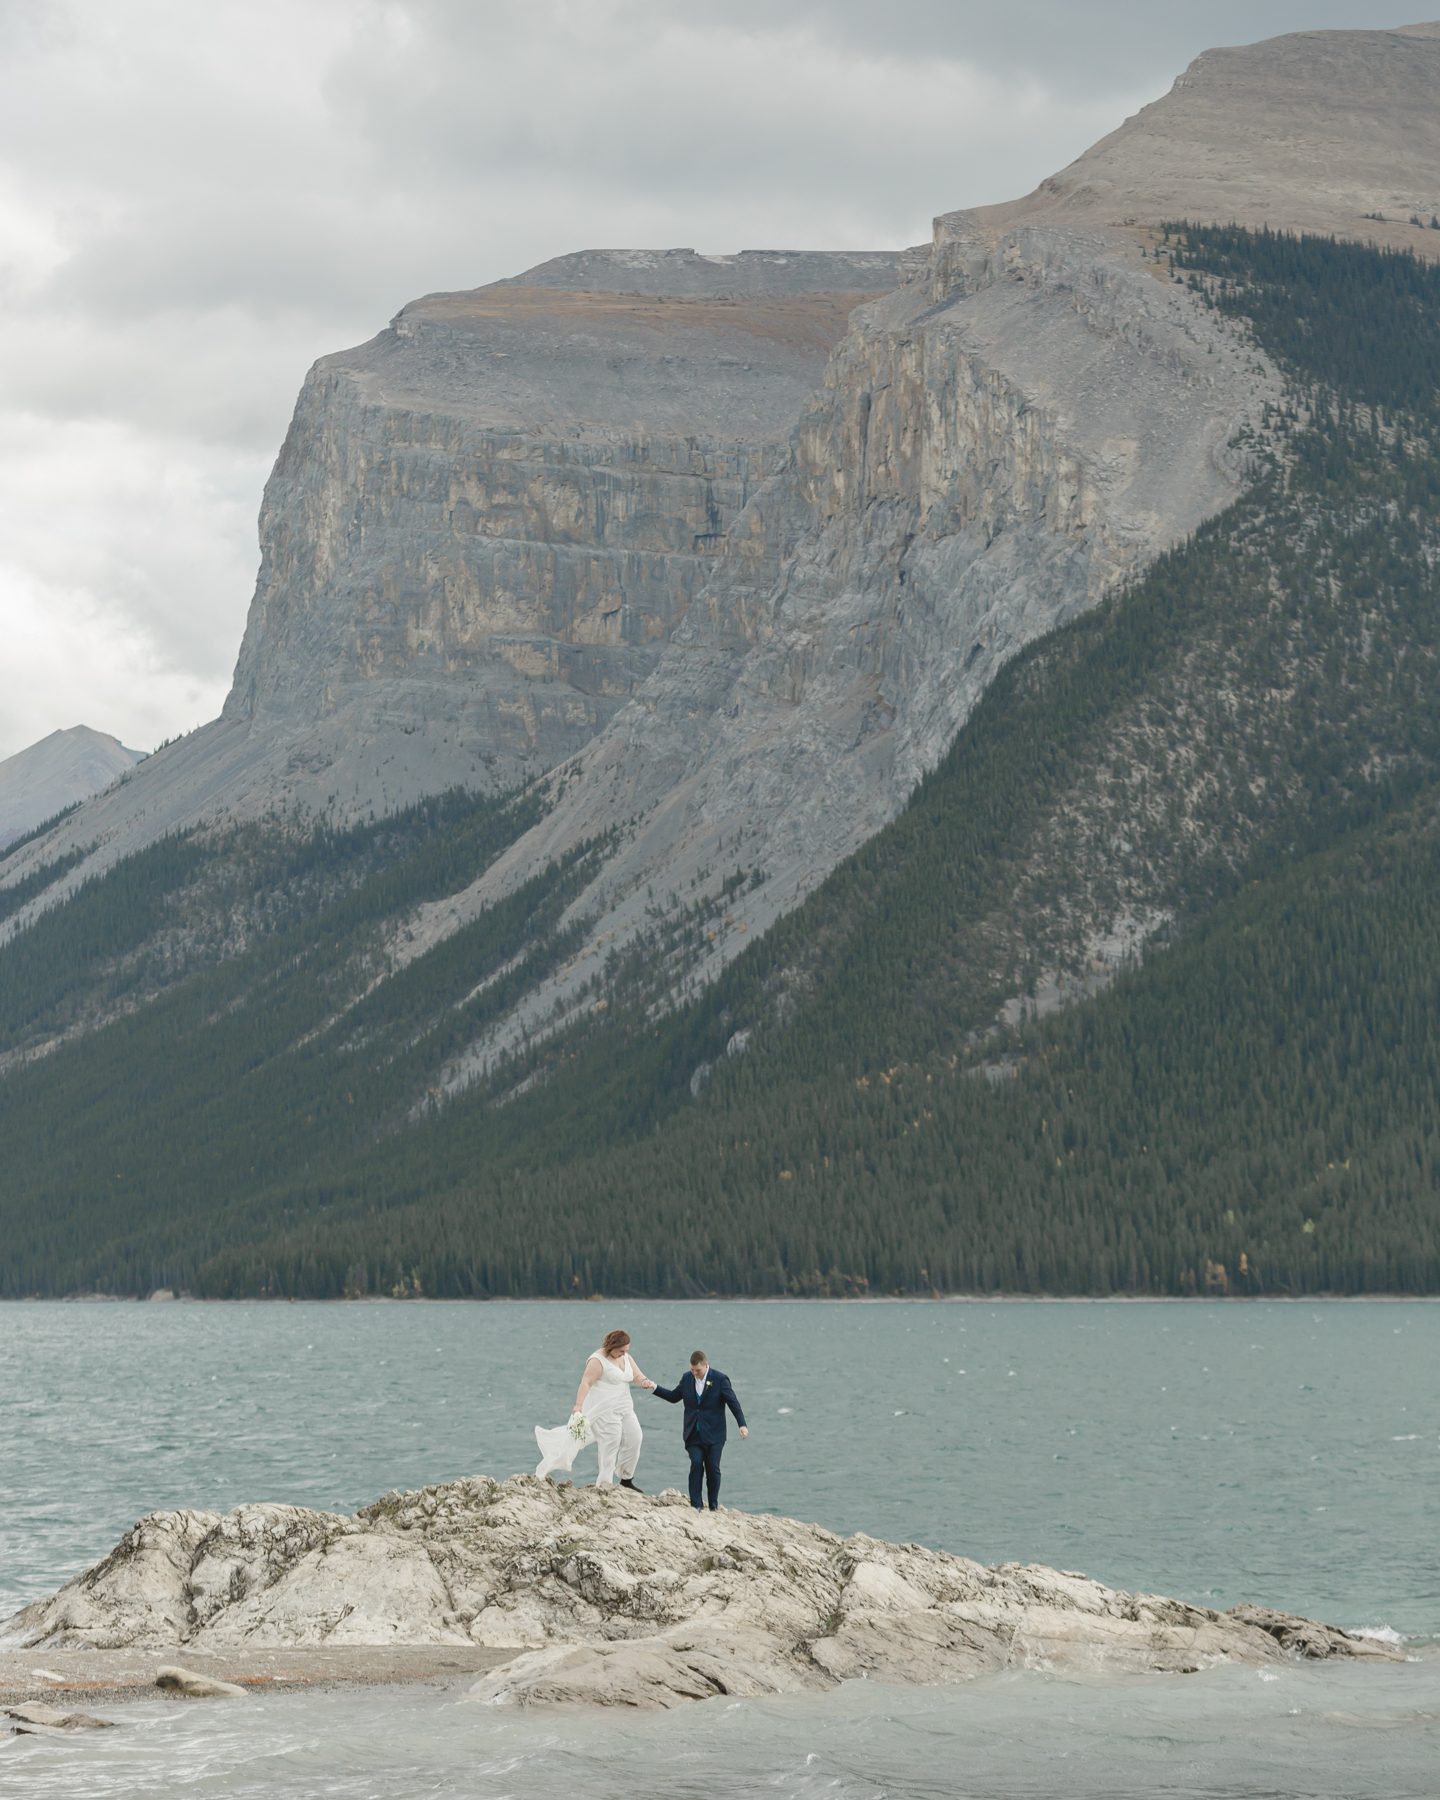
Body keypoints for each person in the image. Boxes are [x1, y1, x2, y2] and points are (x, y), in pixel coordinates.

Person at [535, 1328, 656, 1488]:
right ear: (612, 1346)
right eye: (621, 1350)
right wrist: (578, 1406)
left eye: (626, 1350)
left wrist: (645, 1381)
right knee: (611, 1442)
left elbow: (637, 1376)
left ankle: (626, 1480)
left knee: (635, 1438)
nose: (624, 1353)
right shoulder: (597, 1360)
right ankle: (605, 1484)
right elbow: (586, 1382)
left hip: (625, 1407)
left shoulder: (625, 1357)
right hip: (605, 1410)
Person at [652, 1350, 747, 1511]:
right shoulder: (687, 1378)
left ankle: (713, 1505)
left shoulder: (720, 1379)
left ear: (706, 1365)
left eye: (698, 1370)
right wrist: (654, 1387)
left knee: (713, 1468)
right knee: (696, 1463)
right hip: (693, 1433)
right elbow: (674, 1397)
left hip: (715, 1434)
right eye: (692, 1370)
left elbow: (733, 1403)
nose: (695, 1373)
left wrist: (742, 1424)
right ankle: (696, 1504)